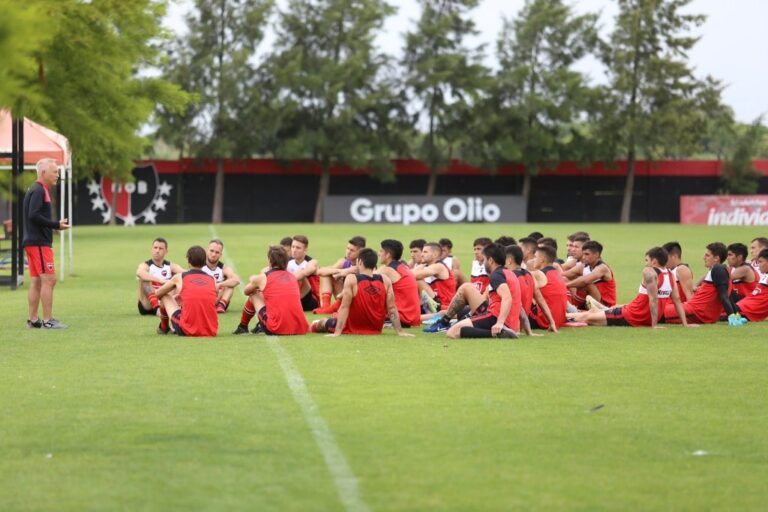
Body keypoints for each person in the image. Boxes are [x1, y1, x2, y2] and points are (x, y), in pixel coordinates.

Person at [568, 247, 689, 328]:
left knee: (588, 317)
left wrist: (654, 325)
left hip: (632, 315)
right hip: (634, 314)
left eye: (646, 260)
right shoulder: (670, 274)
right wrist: (685, 324)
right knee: (591, 315)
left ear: (654, 261)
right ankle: (565, 314)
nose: (645, 263)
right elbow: (677, 300)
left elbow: (654, 299)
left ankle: (565, 315)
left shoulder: (649, 271)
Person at [311, 248, 413, 337]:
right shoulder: (385, 280)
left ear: (359, 262)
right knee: (330, 318)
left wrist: (337, 332)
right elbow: (392, 308)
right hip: (375, 329)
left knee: (321, 323)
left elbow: (344, 307)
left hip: (352, 327)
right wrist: (400, 332)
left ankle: (313, 326)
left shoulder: (352, 279)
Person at [23, 158, 71, 329]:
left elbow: (33, 214)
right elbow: (33, 215)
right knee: (49, 280)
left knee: (37, 281)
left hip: (33, 242)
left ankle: (33, 320)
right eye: (55, 172)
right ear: (43, 172)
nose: (57, 175)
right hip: (38, 243)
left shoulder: (36, 189)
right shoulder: (38, 190)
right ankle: (48, 320)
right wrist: (56, 224)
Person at [445, 243, 521, 339]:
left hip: (496, 317)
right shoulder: (510, 273)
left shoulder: (496, 275)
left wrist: (500, 323)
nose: (483, 262)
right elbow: (518, 304)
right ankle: (501, 332)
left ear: (490, 260)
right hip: (509, 322)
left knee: (452, 332)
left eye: (484, 259)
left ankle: (498, 333)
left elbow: (507, 297)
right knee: (460, 325)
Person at [233, 246, 309, 335]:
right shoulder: (292, 276)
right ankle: (256, 326)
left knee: (254, 294)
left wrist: (254, 281)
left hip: (276, 328)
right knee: (271, 296)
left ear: (270, 260)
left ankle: (242, 326)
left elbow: (246, 291)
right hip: (299, 328)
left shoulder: (263, 277)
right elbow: (305, 288)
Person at [663, 242, 741, 325]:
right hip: (696, 309)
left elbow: (724, 296)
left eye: (707, 255)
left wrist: (731, 316)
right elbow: (728, 294)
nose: (704, 258)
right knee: (661, 309)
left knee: (660, 312)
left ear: (716, 258)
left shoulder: (718, 269)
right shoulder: (721, 270)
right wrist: (736, 315)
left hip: (696, 311)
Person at [155, 245, 218, 336]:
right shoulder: (212, 279)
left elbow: (158, 293)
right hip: (211, 330)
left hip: (187, 329)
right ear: (205, 262)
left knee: (164, 295)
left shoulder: (180, 277)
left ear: (188, 261)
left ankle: (164, 328)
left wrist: (175, 297)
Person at [507, 245, 559, 333]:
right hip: (522, 324)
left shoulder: (509, 277)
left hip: (510, 324)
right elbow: (540, 300)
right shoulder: (529, 275)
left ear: (509, 260)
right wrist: (552, 322)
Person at [313, 236, 366, 314]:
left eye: (352, 250)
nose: (348, 252)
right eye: (347, 248)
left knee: (346, 280)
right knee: (328, 274)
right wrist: (341, 271)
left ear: (360, 252)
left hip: (359, 300)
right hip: (344, 296)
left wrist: (342, 272)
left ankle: (331, 309)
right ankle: (325, 306)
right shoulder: (344, 262)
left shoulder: (363, 265)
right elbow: (320, 272)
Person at [376, 239, 422, 327]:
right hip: (411, 317)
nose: (378, 253)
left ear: (388, 255)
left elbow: (364, 278)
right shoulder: (403, 267)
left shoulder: (388, 270)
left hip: (402, 318)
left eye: (381, 251)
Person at [136, 237, 184, 315]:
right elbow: (139, 273)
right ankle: (157, 308)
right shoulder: (145, 265)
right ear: (151, 249)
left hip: (163, 301)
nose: (157, 251)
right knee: (144, 278)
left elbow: (187, 274)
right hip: (147, 305)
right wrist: (159, 280)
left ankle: (175, 306)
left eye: (160, 248)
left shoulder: (171, 266)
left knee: (179, 278)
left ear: (166, 251)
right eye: (155, 248)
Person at [526, 244, 567, 331]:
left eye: (535, 257)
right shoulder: (557, 273)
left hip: (543, 320)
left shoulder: (540, 275)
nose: (533, 260)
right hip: (559, 320)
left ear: (542, 259)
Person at [566, 240, 617, 310]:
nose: (583, 257)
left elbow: (585, 281)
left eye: (587, 254)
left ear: (596, 255)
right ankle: (573, 306)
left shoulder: (602, 268)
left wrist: (565, 285)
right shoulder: (585, 266)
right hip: (592, 300)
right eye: (583, 254)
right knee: (566, 279)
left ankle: (573, 307)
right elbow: (565, 274)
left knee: (586, 284)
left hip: (605, 304)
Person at [413, 242, 456, 312]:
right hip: (433, 303)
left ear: (434, 255)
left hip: (443, 306)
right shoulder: (426, 266)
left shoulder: (439, 266)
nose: (422, 254)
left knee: (418, 280)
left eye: (425, 252)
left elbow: (413, 275)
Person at [202, 239, 241, 313]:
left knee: (230, 284)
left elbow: (237, 280)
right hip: (204, 299)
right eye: (211, 251)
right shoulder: (199, 266)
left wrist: (220, 284)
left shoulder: (224, 268)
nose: (213, 255)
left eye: (217, 252)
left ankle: (221, 305)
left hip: (218, 299)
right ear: (207, 251)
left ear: (221, 255)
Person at [286, 235, 321, 311]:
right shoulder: (287, 261)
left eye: (298, 248)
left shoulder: (312, 262)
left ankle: (290, 304)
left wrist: (284, 280)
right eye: (293, 247)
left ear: (305, 250)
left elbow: (306, 272)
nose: (294, 250)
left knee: (301, 276)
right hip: (293, 296)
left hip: (311, 300)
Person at [734, 249, 768, 322]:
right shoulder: (765, 275)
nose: (758, 265)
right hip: (742, 306)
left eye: (761, 262)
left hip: (747, 311)